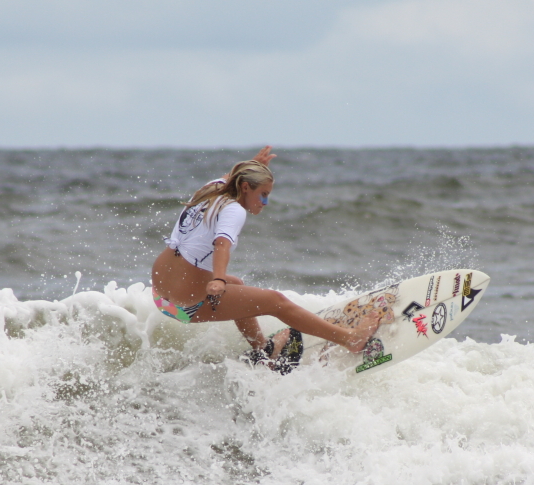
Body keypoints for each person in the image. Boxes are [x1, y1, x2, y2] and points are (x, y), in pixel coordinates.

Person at [150, 146, 381, 364]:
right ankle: (351, 339)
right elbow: (221, 244)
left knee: (237, 284)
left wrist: (253, 165)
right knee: (275, 302)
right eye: (263, 194)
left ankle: (262, 349)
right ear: (246, 188)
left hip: (161, 296)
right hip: (185, 303)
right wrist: (219, 278)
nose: (265, 202)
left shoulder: (213, 189)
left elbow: (231, 177)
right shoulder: (234, 209)